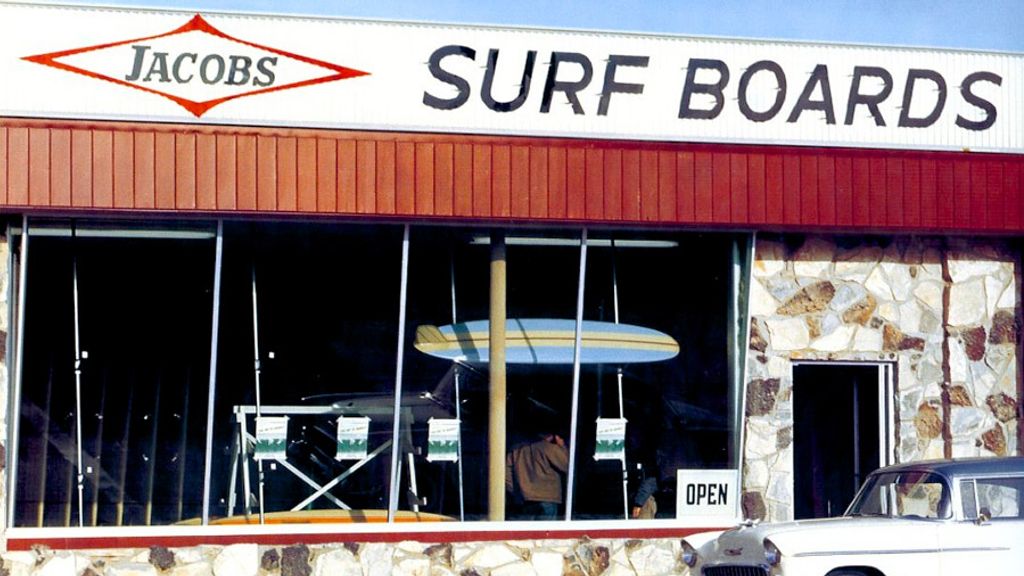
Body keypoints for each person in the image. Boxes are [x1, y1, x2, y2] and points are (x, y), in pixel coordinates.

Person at [506, 432, 569, 520]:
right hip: (547, 498)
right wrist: (562, 447)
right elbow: (567, 465)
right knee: (545, 528)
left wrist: (517, 492)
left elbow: (506, 475)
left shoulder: (516, 450)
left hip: (524, 499)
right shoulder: (549, 448)